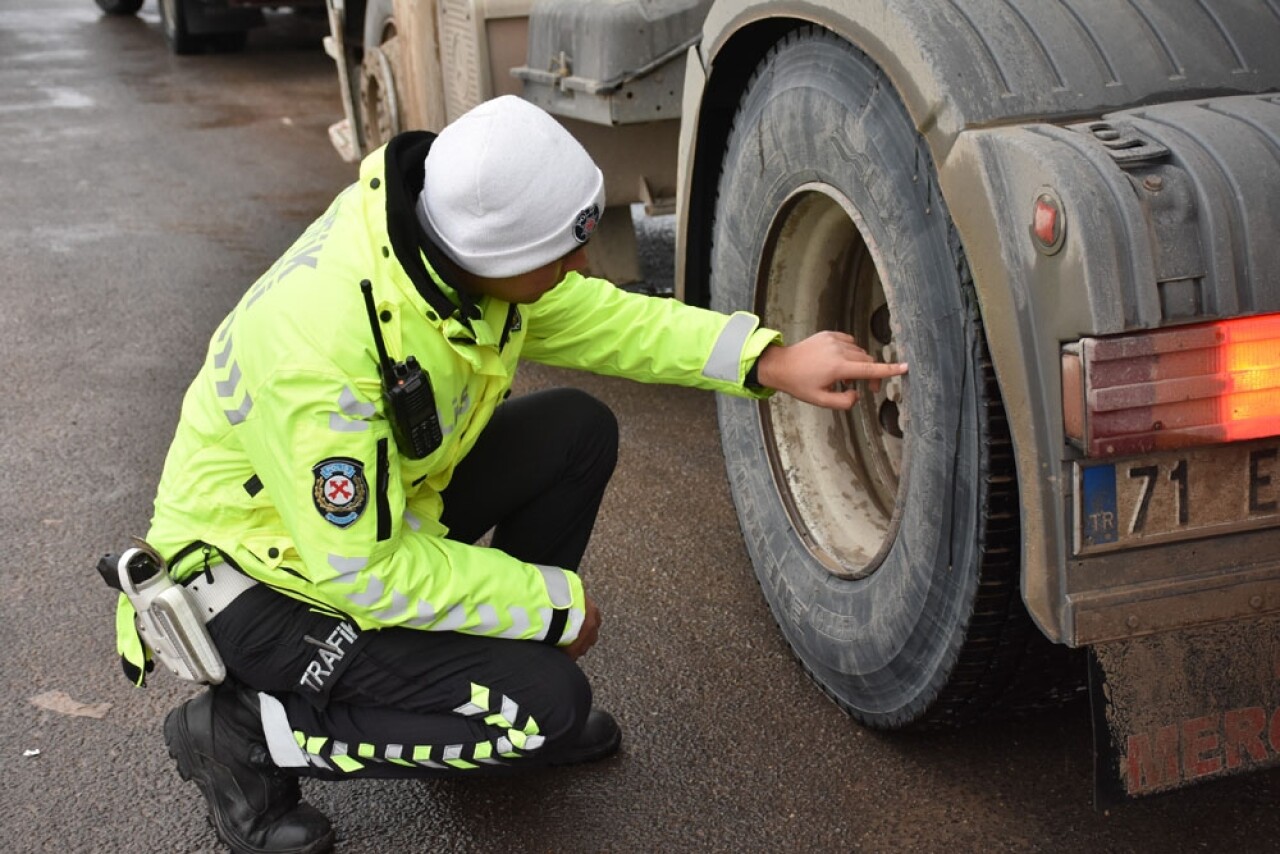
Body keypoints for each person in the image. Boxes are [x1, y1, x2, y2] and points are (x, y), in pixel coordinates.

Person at [111, 95, 908, 854]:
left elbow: (598, 317)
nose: (584, 262)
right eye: (566, 251)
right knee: (546, 710)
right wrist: (550, 607)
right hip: (259, 586)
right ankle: (244, 736)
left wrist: (767, 359)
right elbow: (365, 571)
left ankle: (478, 682)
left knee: (574, 430)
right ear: (497, 256)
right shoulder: (322, 363)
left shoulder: (438, 254)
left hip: (364, 528)